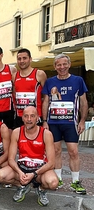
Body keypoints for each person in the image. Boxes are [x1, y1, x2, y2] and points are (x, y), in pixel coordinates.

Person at [42, 54, 88, 194]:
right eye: (58, 65)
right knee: (55, 151)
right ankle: (58, 178)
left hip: (70, 122)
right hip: (53, 122)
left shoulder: (78, 80)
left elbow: (83, 102)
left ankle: (75, 182)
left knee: (73, 152)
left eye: (64, 64)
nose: (61, 67)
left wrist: (82, 120)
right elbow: (45, 101)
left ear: (69, 65)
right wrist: (44, 121)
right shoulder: (50, 82)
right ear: (55, 66)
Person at [0, 106, 58, 206]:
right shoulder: (17, 132)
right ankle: (22, 186)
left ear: (37, 118)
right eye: (26, 116)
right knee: (0, 176)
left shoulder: (46, 134)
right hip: (22, 168)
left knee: (53, 183)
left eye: (32, 116)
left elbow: (51, 163)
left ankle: (41, 189)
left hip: (39, 170)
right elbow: (11, 159)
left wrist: (34, 174)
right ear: (22, 117)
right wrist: (20, 173)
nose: (29, 119)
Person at [13, 48, 47, 128]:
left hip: (35, 117)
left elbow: (46, 97)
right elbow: (14, 94)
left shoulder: (39, 74)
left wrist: (44, 119)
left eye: (24, 58)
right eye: (19, 59)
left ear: (30, 59)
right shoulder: (14, 76)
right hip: (19, 117)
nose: (22, 61)